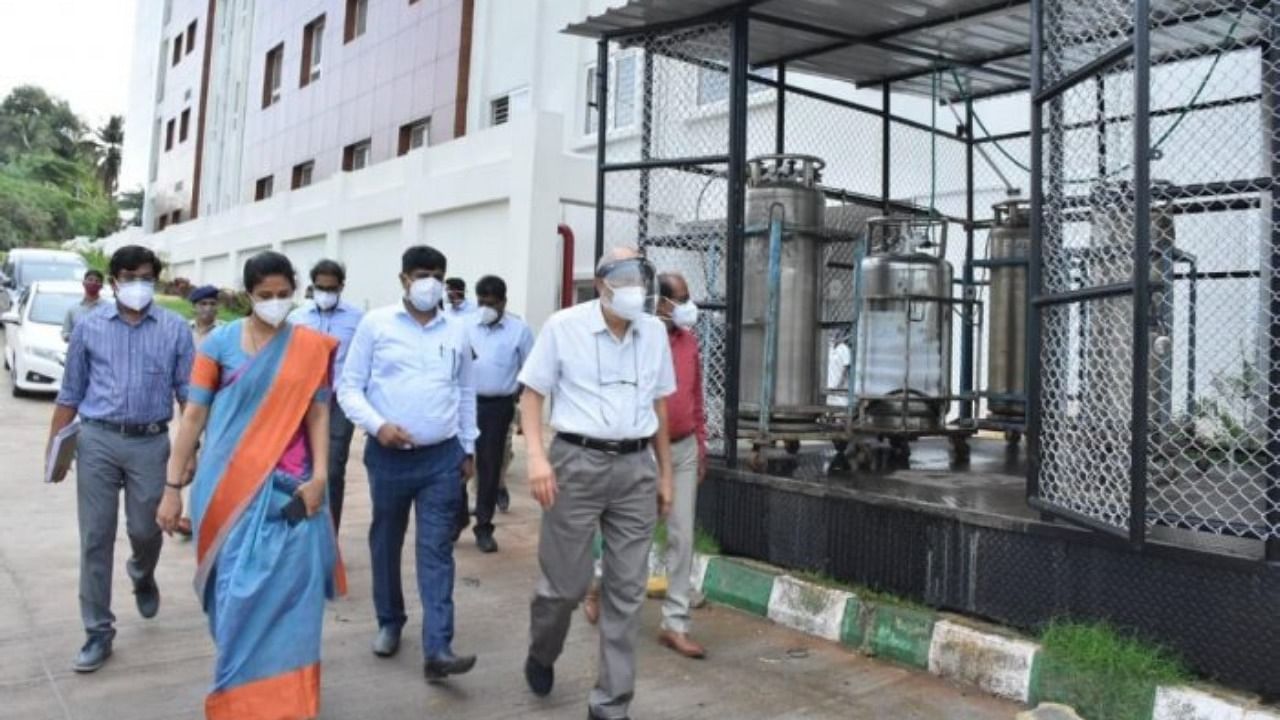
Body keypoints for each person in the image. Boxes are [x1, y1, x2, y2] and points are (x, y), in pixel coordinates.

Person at [157, 251, 342, 719]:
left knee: (292, 603)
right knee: (234, 598)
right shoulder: (217, 345)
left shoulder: (311, 346)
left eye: (284, 295)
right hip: (228, 489)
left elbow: (318, 413)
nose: (275, 303)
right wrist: (172, 485)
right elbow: (194, 415)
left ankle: (287, 704)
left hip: (293, 491)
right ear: (247, 296)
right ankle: (241, 697)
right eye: (265, 296)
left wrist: (321, 477)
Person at [519, 246, 675, 720]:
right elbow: (532, 394)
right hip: (575, 464)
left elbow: (660, 406)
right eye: (625, 277)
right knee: (565, 588)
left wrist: (665, 472)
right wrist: (536, 458)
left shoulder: (653, 333)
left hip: (635, 468)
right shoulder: (563, 326)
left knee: (627, 592)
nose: (635, 288)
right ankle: (542, 651)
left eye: (641, 278)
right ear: (603, 283)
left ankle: (611, 703)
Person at [47, 245, 195, 673]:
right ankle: (98, 632)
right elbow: (70, 393)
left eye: (145, 276)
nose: (136, 284)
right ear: (113, 282)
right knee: (95, 537)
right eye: (128, 277)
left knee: (147, 529)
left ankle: (141, 573)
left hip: (151, 443)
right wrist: (55, 449)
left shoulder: (174, 330)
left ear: (156, 280)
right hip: (97, 441)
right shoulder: (89, 329)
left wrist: (190, 452)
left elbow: (190, 397)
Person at [338, 245, 479, 682]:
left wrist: (468, 446)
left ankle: (438, 647)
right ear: (403, 279)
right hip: (388, 457)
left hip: (442, 457)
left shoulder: (456, 329)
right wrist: (378, 425)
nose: (430, 283)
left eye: (438, 274)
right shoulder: (375, 325)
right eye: (422, 274)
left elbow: (466, 391)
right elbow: (349, 388)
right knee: (386, 540)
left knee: (436, 550)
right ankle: (389, 621)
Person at [291, 259, 364, 533]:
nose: (325, 293)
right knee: (301, 466)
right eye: (319, 287)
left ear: (341, 287)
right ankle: (302, 532)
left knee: (332, 469)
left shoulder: (358, 320)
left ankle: (329, 535)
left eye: (331, 288)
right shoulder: (297, 318)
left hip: (337, 403)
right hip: (302, 402)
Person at [465, 274, 533, 553]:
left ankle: (484, 526)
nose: (486, 308)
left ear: (504, 302)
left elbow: (531, 371)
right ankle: (457, 516)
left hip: (498, 407)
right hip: (464, 403)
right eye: (481, 302)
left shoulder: (519, 330)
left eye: (491, 303)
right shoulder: (464, 326)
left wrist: (521, 407)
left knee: (490, 467)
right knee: (455, 461)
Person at [62, 269, 107, 341]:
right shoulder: (73, 309)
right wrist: (76, 337)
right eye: (90, 280)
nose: (93, 283)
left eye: (97, 281)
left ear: (101, 286)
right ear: (83, 283)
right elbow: (65, 333)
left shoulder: (108, 309)